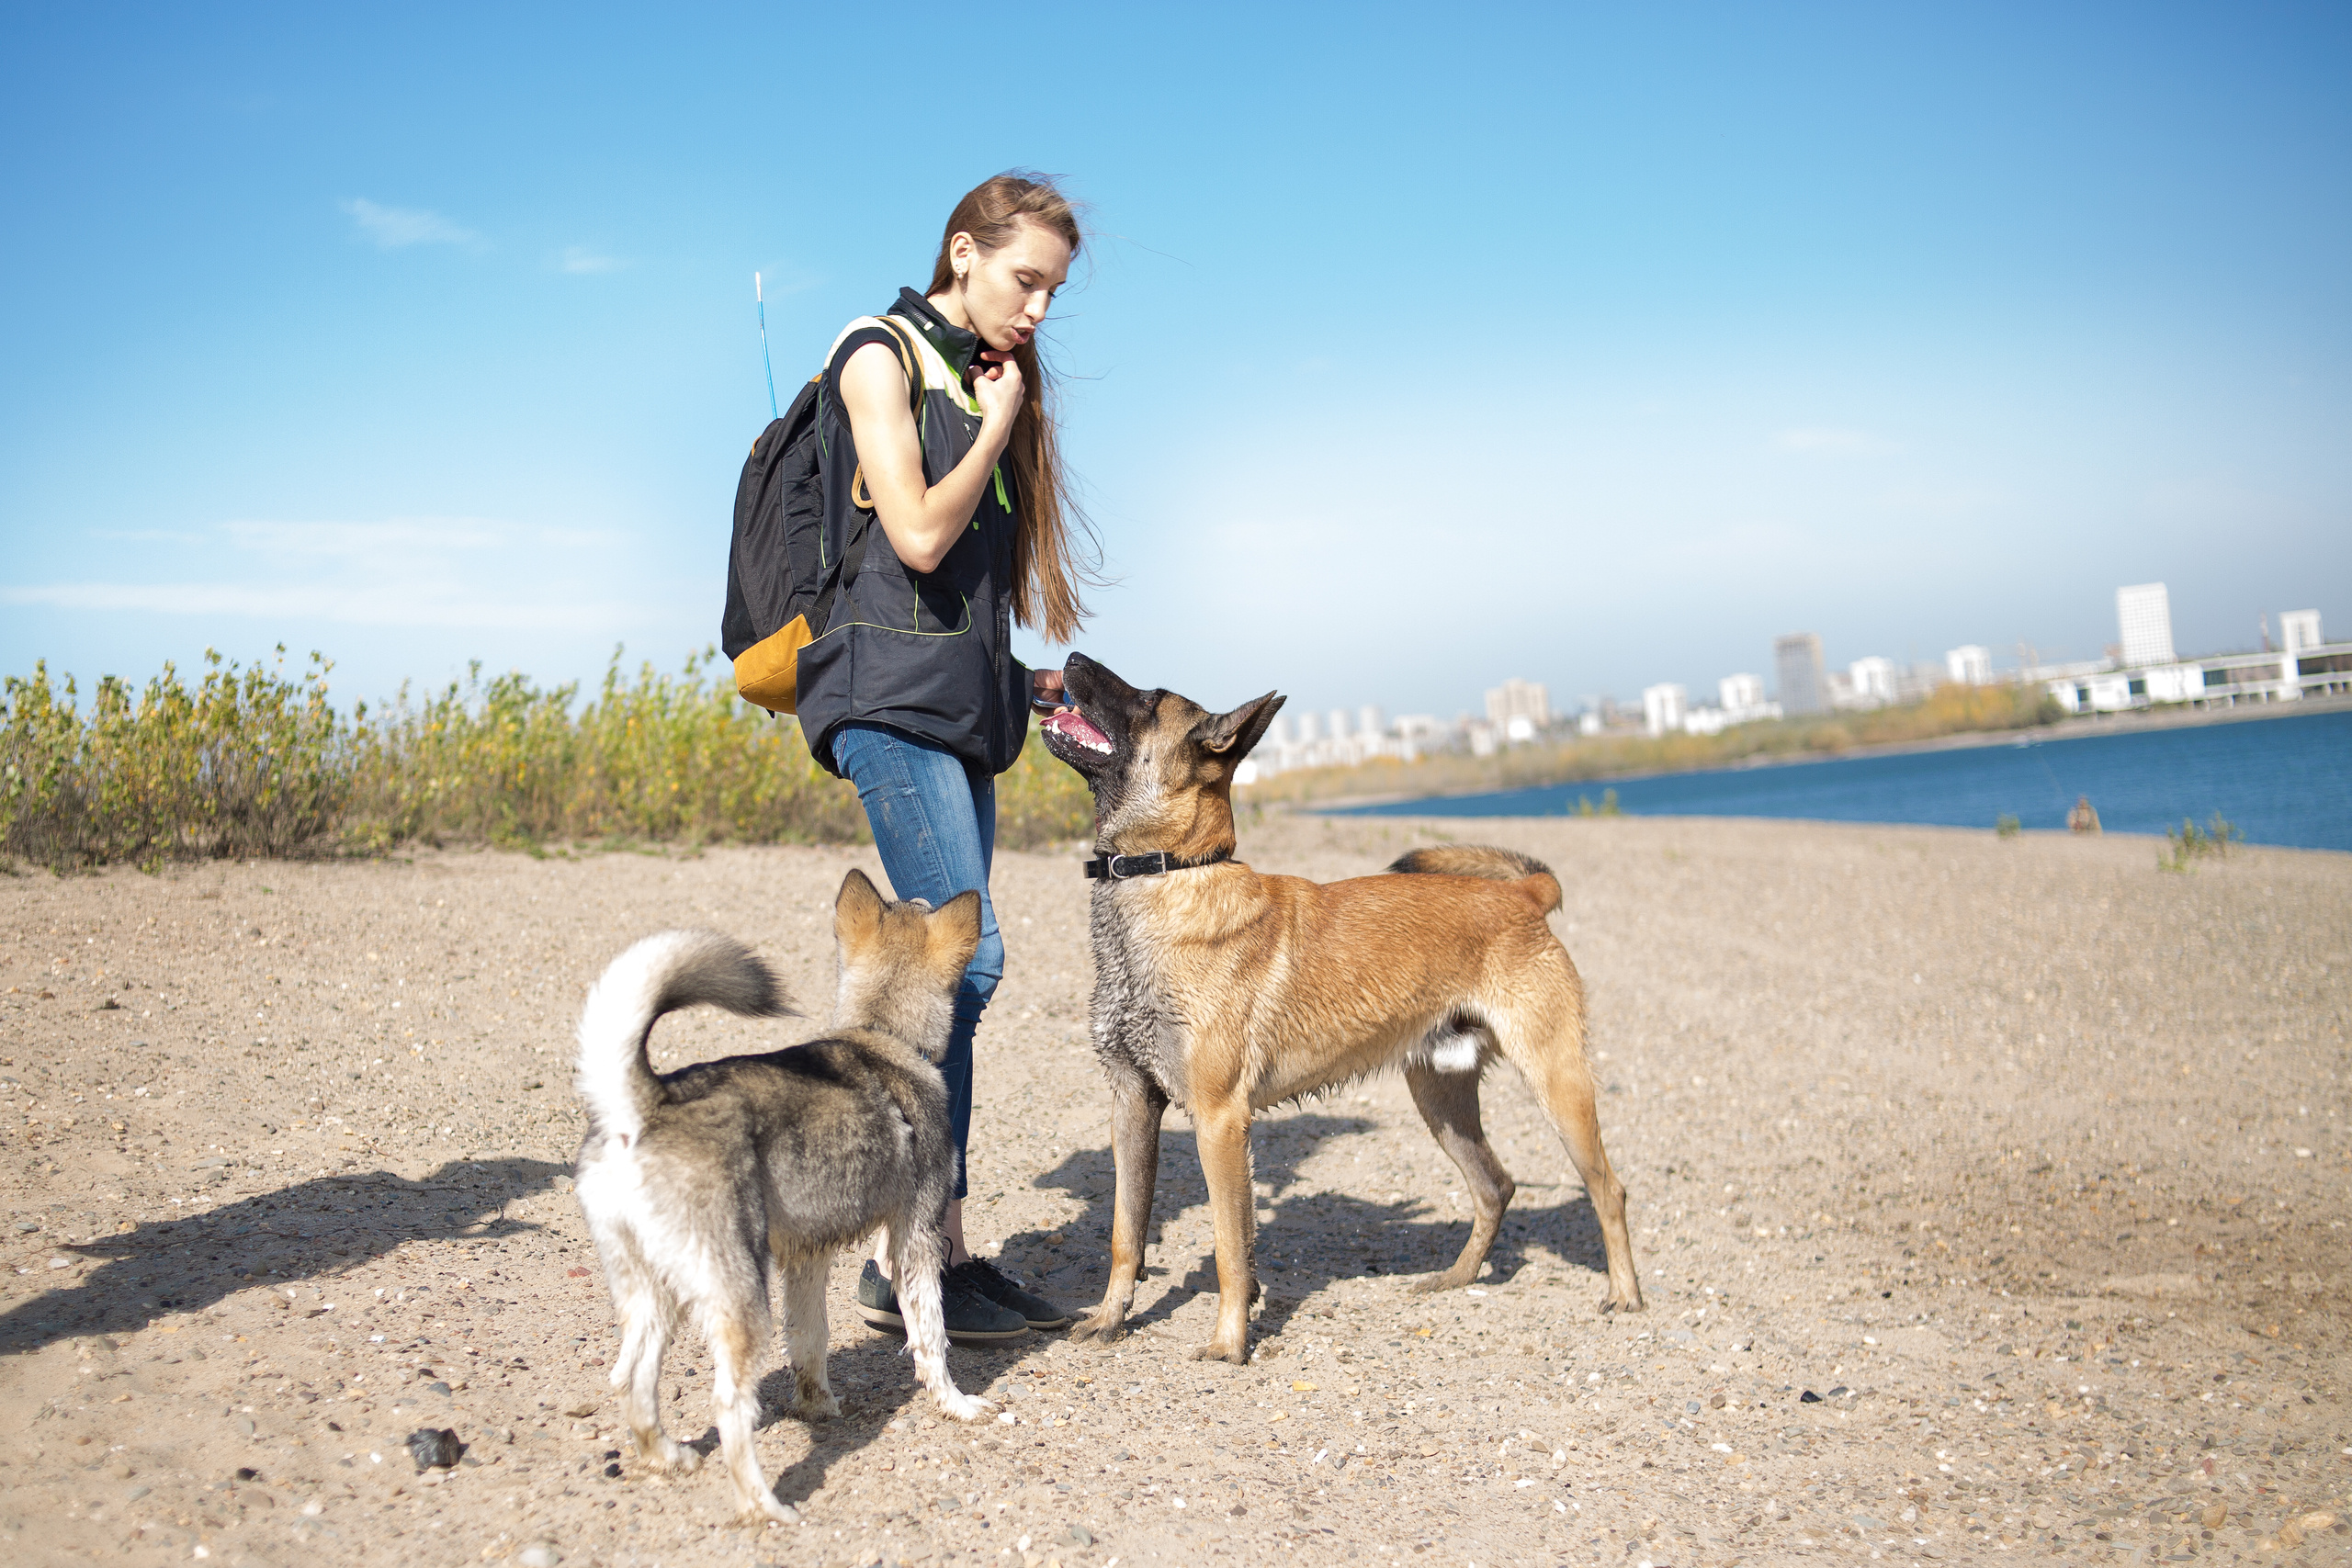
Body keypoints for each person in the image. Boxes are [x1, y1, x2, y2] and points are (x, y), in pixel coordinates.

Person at [794, 171, 1092, 1342]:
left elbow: (959, 596)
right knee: (959, 965)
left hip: (954, 707)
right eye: (1025, 280)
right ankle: (911, 1250)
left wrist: (1022, 681)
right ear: (961, 253)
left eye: (1054, 291)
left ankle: (928, 1245)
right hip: (886, 705)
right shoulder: (879, 354)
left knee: (956, 967)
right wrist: (1002, 425)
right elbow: (917, 536)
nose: (1037, 309)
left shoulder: (970, 374)